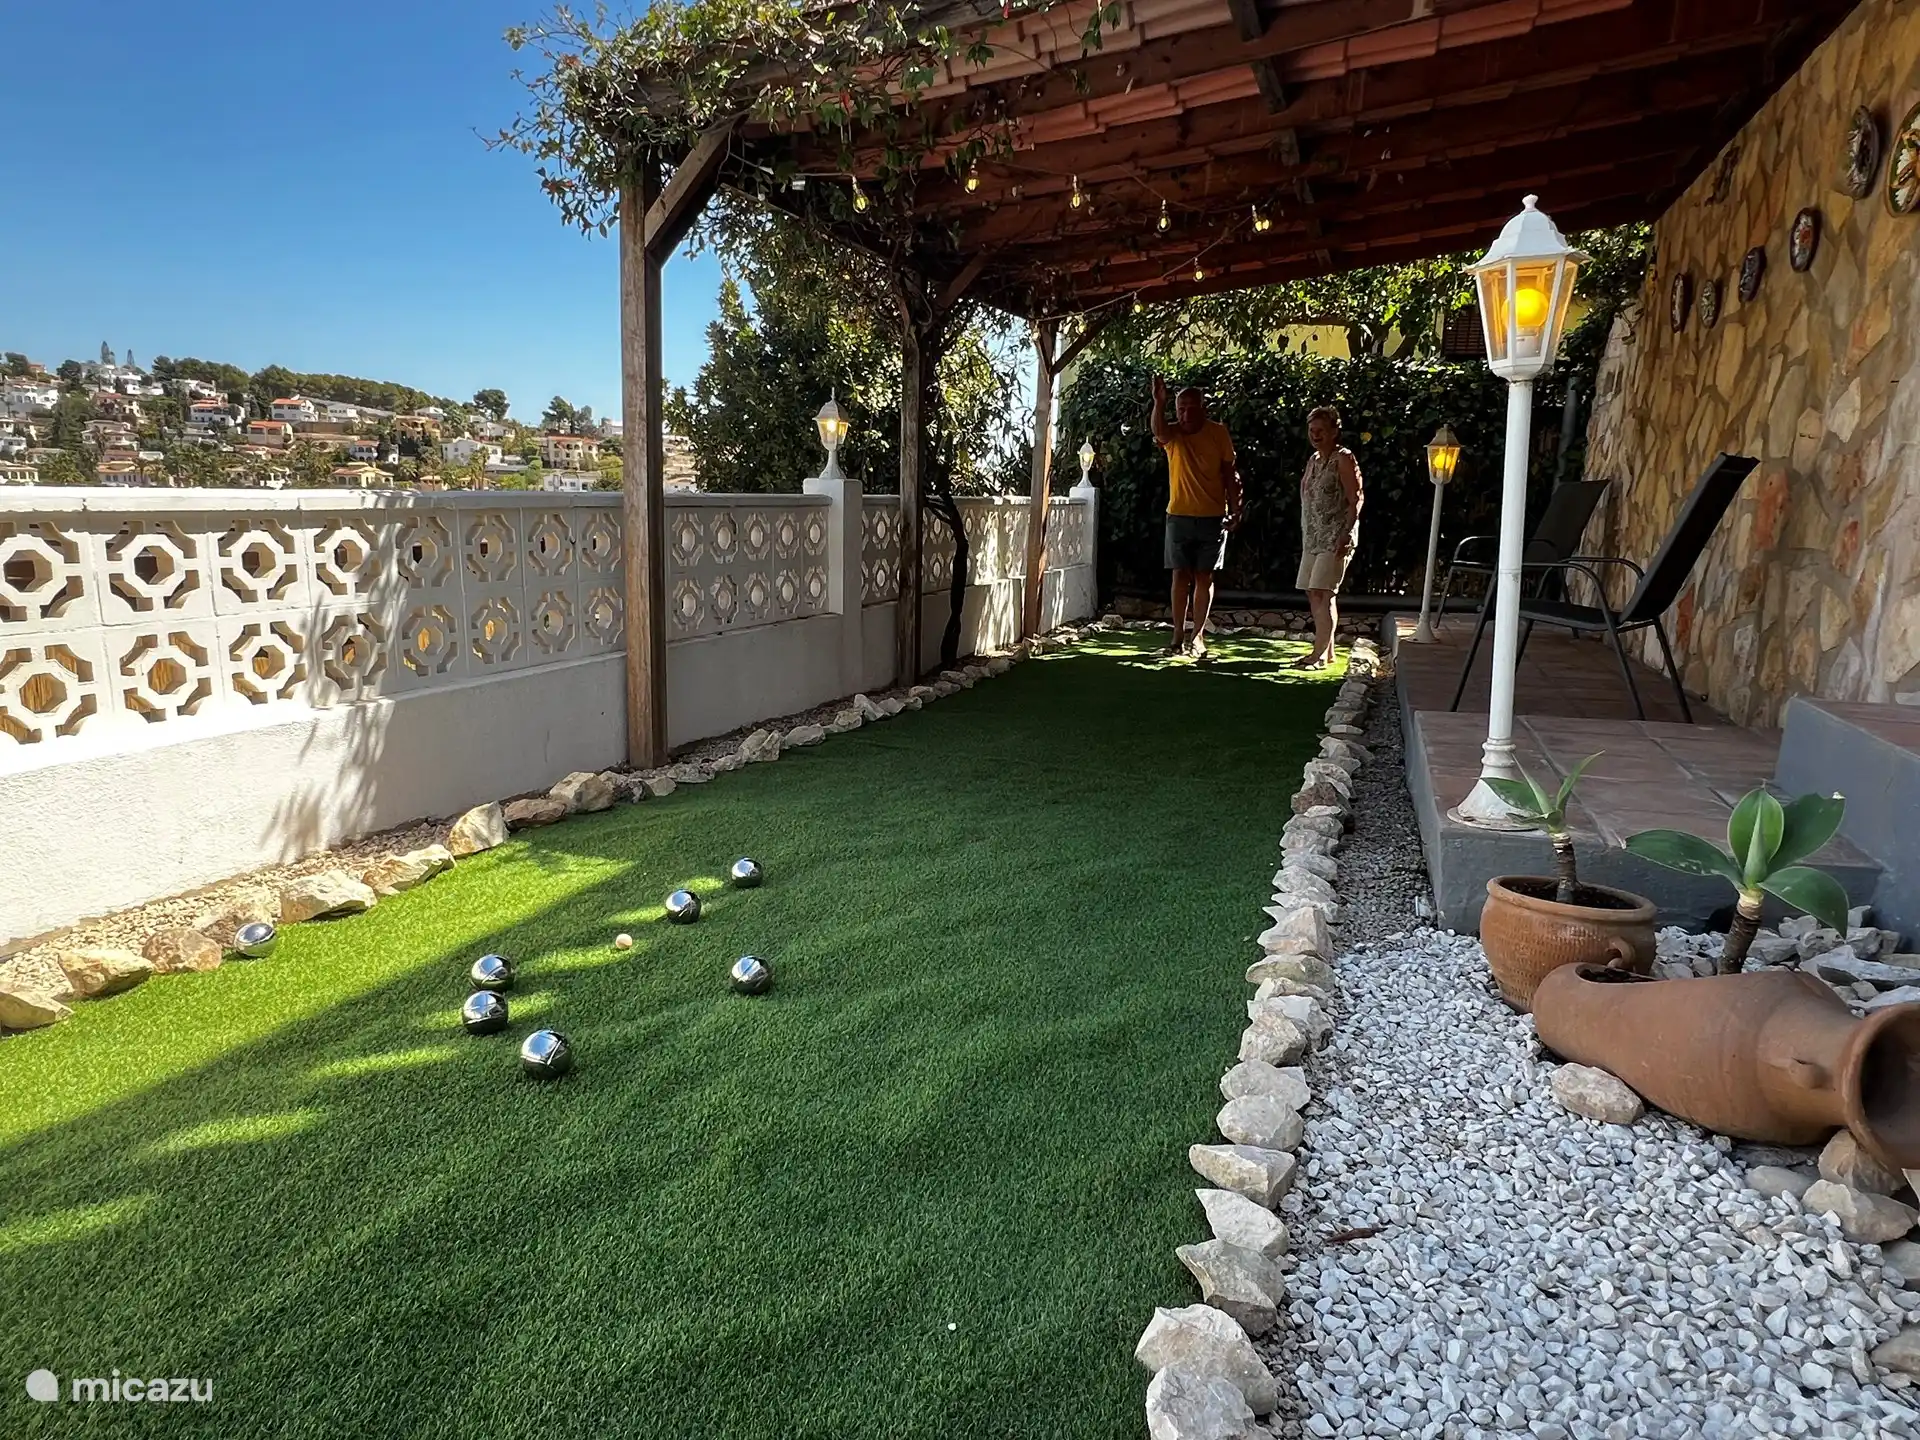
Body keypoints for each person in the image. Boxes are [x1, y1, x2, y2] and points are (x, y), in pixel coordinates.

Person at [1149, 376, 1242, 658]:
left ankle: (1198, 635)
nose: (1186, 413)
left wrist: (1235, 507)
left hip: (1213, 517)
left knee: (1204, 577)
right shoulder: (1172, 434)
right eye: (1181, 408)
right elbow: (1158, 430)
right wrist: (1159, 402)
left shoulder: (1218, 433)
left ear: (1204, 407)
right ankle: (1177, 634)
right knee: (1180, 576)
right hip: (1178, 516)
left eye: (1192, 407)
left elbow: (1230, 473)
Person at [1294, 405, 1364, 669]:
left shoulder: (1344, 459)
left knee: (1322, 592)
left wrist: (1346, 533)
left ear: (1335, 431)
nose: (1315, 435)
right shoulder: (1313, 461)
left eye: (1321, 430)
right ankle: (1328, 651)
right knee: (1315, 594)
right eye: (1312, 430)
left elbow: (1356, 499)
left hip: (1336, 537)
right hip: (1313, 537)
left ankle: (1318, 655)